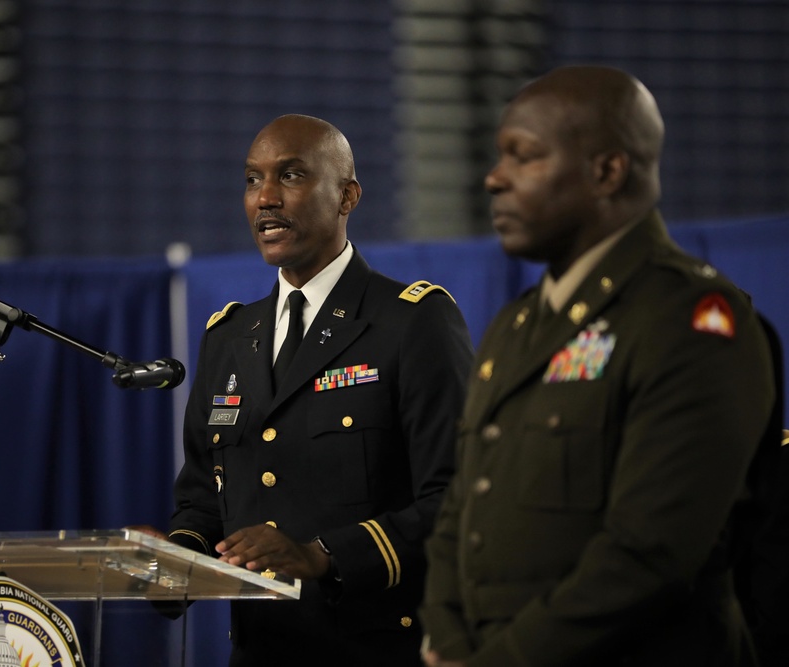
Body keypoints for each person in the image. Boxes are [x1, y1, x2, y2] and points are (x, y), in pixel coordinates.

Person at [418, 66, 778, 666]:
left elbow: (648, 555)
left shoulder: (692, 321)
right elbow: (463, 509)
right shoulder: (518, 324)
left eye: (523, 156)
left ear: (607, 171)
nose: (494, 178)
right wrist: (448, 640)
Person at [161, 114, 474, 666]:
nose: (266, 199)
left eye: (292, 175)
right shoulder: (229, 337)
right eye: (253, 180)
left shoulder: (411, 322)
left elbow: (455, 501)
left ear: (347, 195)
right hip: (261, 651)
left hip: (375, 649)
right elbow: (203, 499)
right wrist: (176, 557)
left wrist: (326, 555)